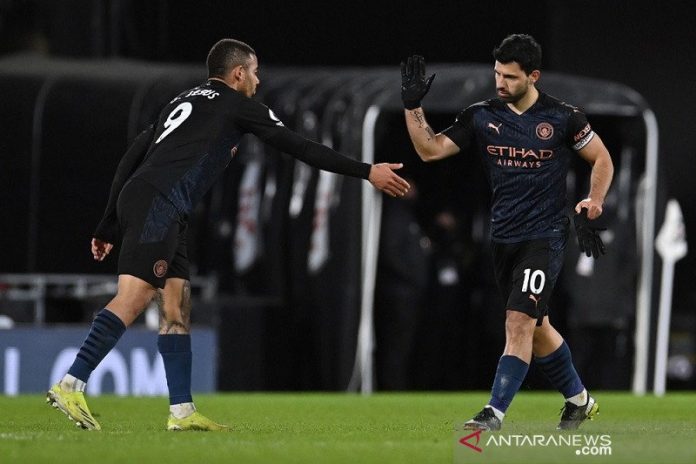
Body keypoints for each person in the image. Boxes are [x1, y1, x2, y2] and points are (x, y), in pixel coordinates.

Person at [47, 38, 410, 432]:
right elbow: (300, 146)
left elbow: (134, 152)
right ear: (238, 73)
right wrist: (366, 171)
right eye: (254, 71)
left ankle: (181, 411)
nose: (258, 78)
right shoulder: (239, 105)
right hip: (161, 202)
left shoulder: (184, 98)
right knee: (135, 297)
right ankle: (71, 383)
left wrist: (108, 223)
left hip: (156, 200)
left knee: (176, 307)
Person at [400, 34, 613, 431]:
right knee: (537, 328)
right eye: (497, 74)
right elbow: (429, 150)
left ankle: (493, 413)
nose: (500, 83)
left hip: (545, 236)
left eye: (510, 78)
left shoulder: (564, 117)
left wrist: (594, 199)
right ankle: (579, 400)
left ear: (533, 76)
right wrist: (413, 106)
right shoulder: (482, 115)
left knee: (517, 321)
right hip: (503, 238)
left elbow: (601, 157)